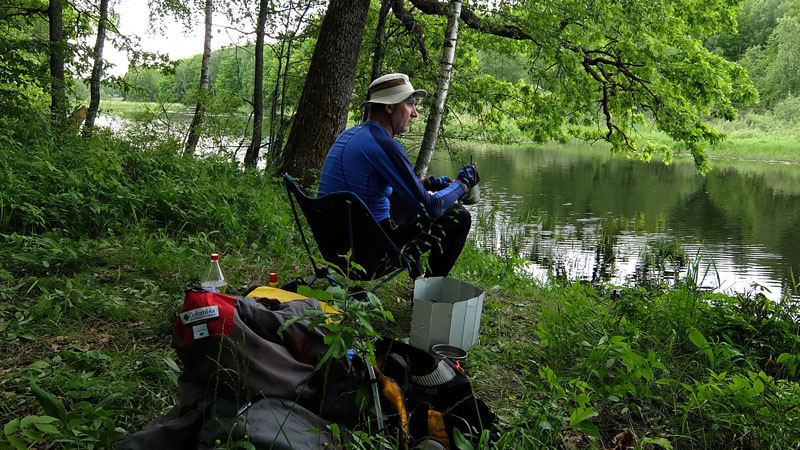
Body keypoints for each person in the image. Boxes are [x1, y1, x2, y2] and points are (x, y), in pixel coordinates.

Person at [318, 73, 479, 279]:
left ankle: (418, 276)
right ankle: (429, 295)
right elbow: (432, 208)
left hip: (337, 243)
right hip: (366, 256)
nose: (415, 113)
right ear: (390, 106)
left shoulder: (354, 135)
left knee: (407, 199)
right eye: (410, 104)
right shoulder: (384, 145)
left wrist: (431, 183)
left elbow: (393, 190)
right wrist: (462, 184)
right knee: (458, 216)